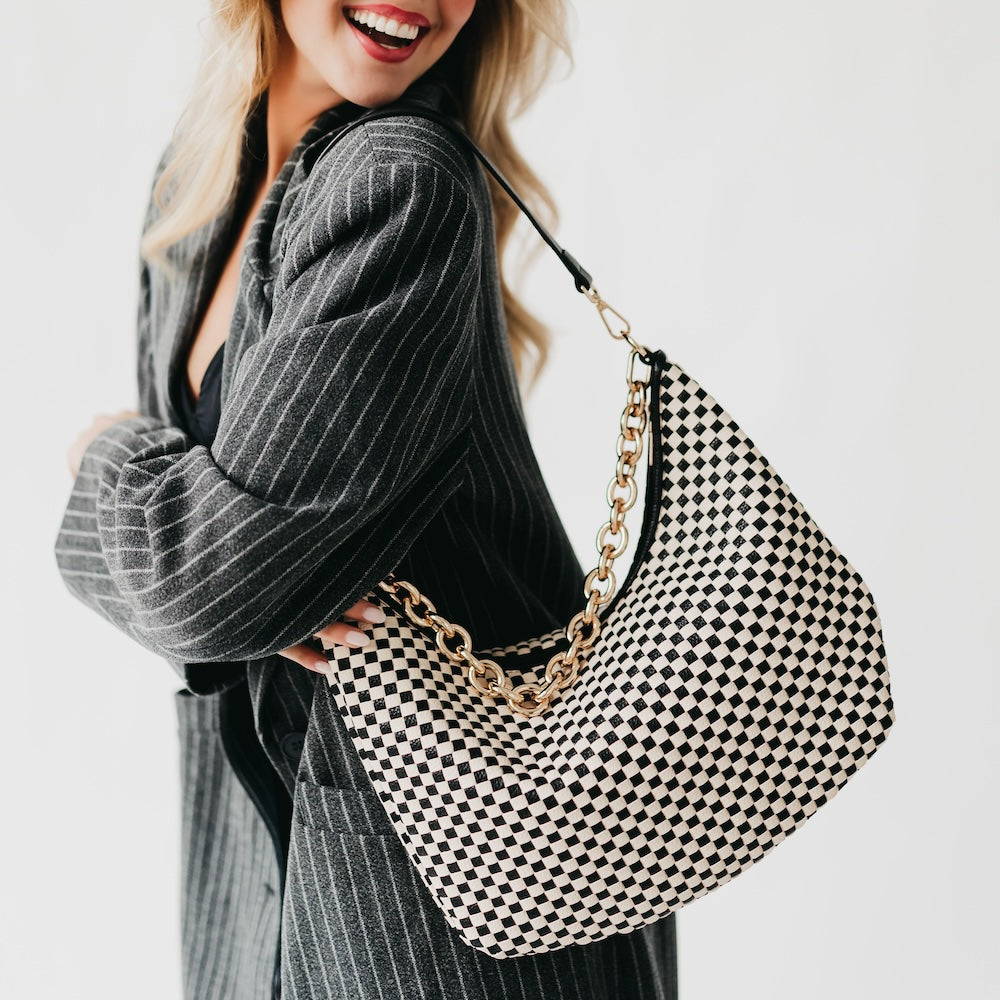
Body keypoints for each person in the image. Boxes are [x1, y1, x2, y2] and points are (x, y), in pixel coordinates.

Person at [53, 1, 679, 997]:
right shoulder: (201, 173)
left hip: (446, 918)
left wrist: (105, 456)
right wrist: (229, 574)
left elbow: (204, 588)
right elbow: (208, 592)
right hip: (267, 871)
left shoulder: (401, 179)